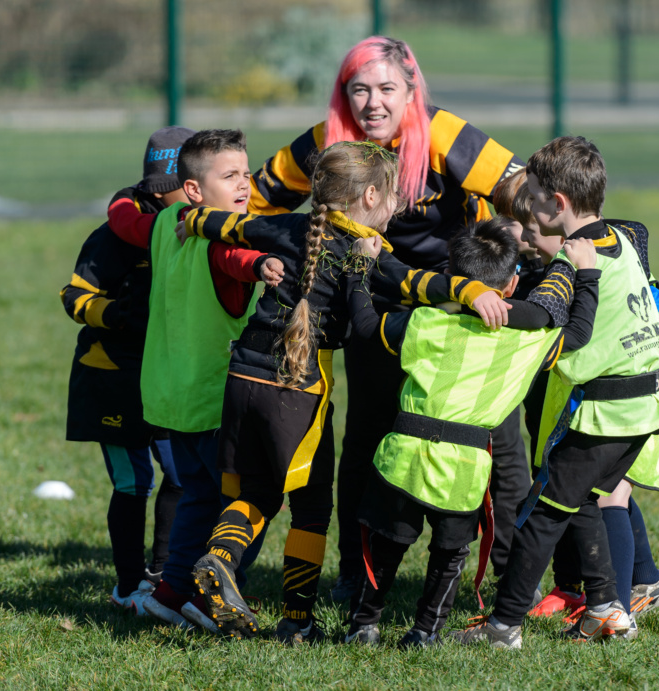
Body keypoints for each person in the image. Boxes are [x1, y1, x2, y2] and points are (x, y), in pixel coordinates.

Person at [181, 141, 511, 644]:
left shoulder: (291, 225)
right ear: (372, 195)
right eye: (397, 193)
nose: (401, 202)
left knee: (255, 492)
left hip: (244, 372)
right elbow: (419, 284)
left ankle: (221, 556)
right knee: (311, 508)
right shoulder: (366, 253)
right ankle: (296, 621)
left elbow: (232, 226)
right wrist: (471, 290)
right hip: (298, 385)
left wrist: (193, 221)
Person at [248, 35, 529, 600]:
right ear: (343, 94)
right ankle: (356, 575)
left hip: (461, 314)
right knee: (368, 441)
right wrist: (258, 257)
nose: (373, 103)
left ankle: (506, 590)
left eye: (386, 89)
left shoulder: (445, 132)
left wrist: (540, 236)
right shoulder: (329, 144)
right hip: (371, 315)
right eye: (359, 89)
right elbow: (255, 198)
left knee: (494, 446)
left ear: (411, 91)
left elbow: (520, 188)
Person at [452, 136, 659, 649]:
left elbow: (546, 317)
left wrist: (483, 302)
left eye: (530, 195)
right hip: (644, 411)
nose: (525, 205)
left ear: (559, 204)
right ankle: (604, 610)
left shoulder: (576, 261)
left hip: (606, 414)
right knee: (585, 503)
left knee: (541, 514)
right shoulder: (621, 238)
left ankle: (502, 627)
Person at [343, 218, 600, 648]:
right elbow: (577, 332)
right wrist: (584, 274)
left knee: (386, 545)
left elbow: (367, 326)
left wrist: (358, 272)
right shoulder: (525, 342)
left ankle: (362, 625)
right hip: (462, 470)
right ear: (513, 284)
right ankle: (425, 632)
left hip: (402, 458)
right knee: (449, 556)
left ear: (450, 278)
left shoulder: (424, 323)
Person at [129, 129, 285, 632]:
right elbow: (233, 259)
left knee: (197, 496)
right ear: (193, 191)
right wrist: (263, 263)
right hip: (217, 401)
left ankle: (170, 592)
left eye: (246, 173)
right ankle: (213, 589)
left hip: (169, 396)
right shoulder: (221, 239)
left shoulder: (165, 222)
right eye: (229, 176)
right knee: (254, 496)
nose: (244, 185)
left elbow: (123, 216)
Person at [59, 127, 193, 614]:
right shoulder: (115, 234)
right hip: (111, 376)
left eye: (171, 185)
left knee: (182, 474)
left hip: (166, 375)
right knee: (133, 483)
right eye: (155, 186)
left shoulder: (195, 228)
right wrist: (113, 314)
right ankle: (128, 585)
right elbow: (73, 296)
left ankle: (160, 575)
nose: (162, 196)